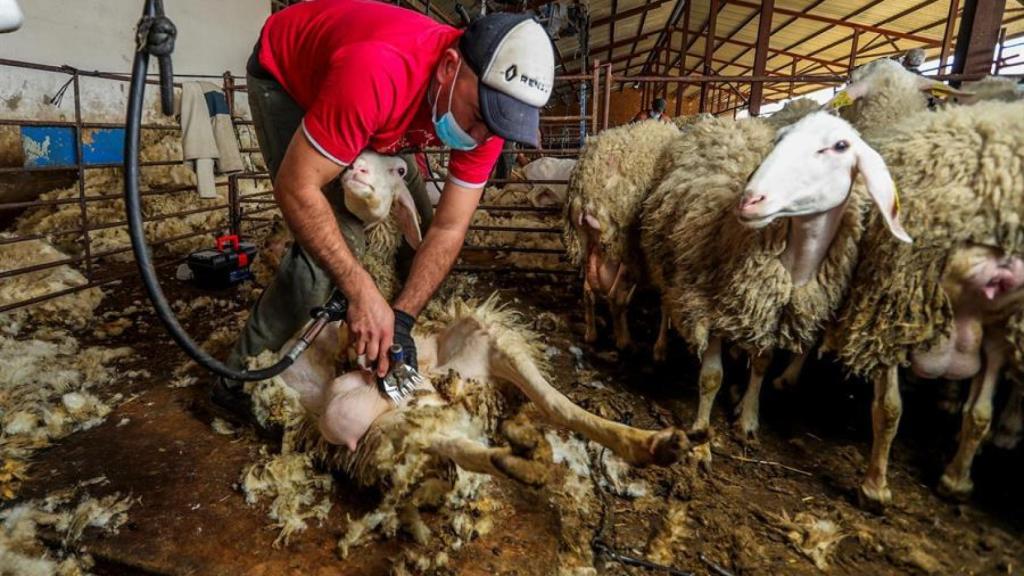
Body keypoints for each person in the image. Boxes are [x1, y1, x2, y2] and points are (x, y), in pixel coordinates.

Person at [213, 0, 555, 420]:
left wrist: (404, 317)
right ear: (449, 68)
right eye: (481, 116)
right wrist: (360, 291)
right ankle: (238, 381)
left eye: (499, 126)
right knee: (332, 251)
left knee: (424, 226)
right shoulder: (379, 71)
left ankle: (384, 326)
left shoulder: (485, 122)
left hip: (386, 102)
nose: (483, 136)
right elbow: (297, 188)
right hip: (288, 75)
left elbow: (448, 229)